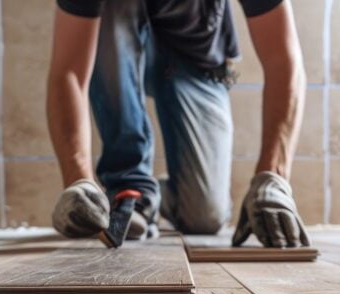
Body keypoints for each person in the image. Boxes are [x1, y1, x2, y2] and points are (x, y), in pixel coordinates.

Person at [48, 0, 310, 248]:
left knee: (204, 217)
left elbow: (284, 61)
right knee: (111, 9)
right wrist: (78, 181)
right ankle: (128, 186)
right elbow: (69, 72)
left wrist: (272, 177)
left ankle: (167, 194)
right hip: (119, 45)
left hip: (195, 61)